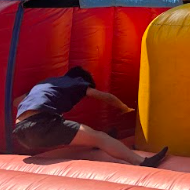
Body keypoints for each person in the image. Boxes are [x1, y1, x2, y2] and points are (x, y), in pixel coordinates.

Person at [12, 66, 169, 167]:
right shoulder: (76, 82)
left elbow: (16, 102)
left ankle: (94, 140)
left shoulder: (46, 84)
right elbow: (105, 96)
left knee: (82, 133)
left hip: (21, 133)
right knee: (101, 138)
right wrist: (124, 107)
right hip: (40, 125)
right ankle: (141, 162)